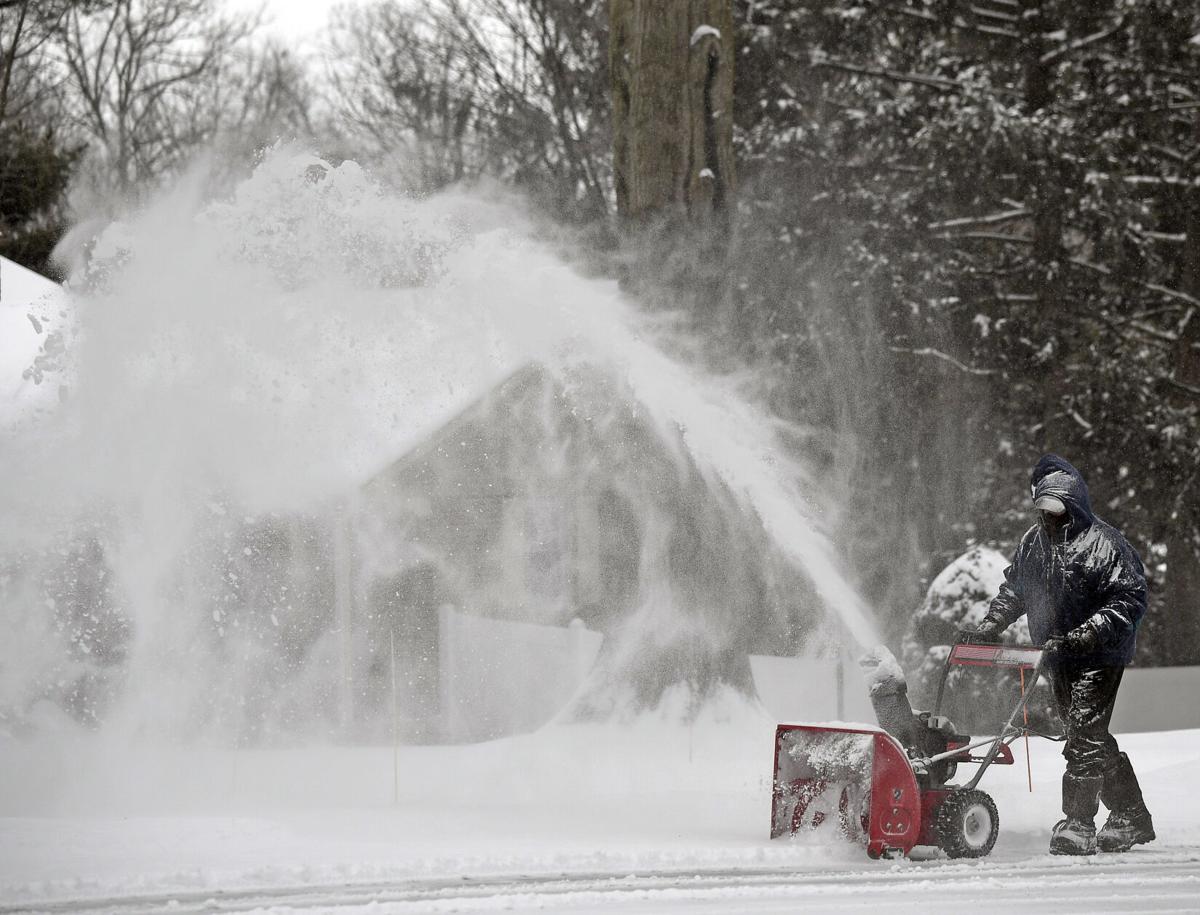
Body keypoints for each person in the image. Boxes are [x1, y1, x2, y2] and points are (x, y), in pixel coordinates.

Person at [975, 454, 1154, 855]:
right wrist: (991, 625)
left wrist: (1086, 634)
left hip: (1100, 654)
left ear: (1074, 504)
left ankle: (1078, 824)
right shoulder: (1032, 543)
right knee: (1085, 735)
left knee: (1083, 737)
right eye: (1043, 508)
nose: (1049, 517)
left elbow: (1130, 598)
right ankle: (1131, 816)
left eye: (1056, 508)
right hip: (1056, 654)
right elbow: (1016, 589)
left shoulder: (1105, 544)